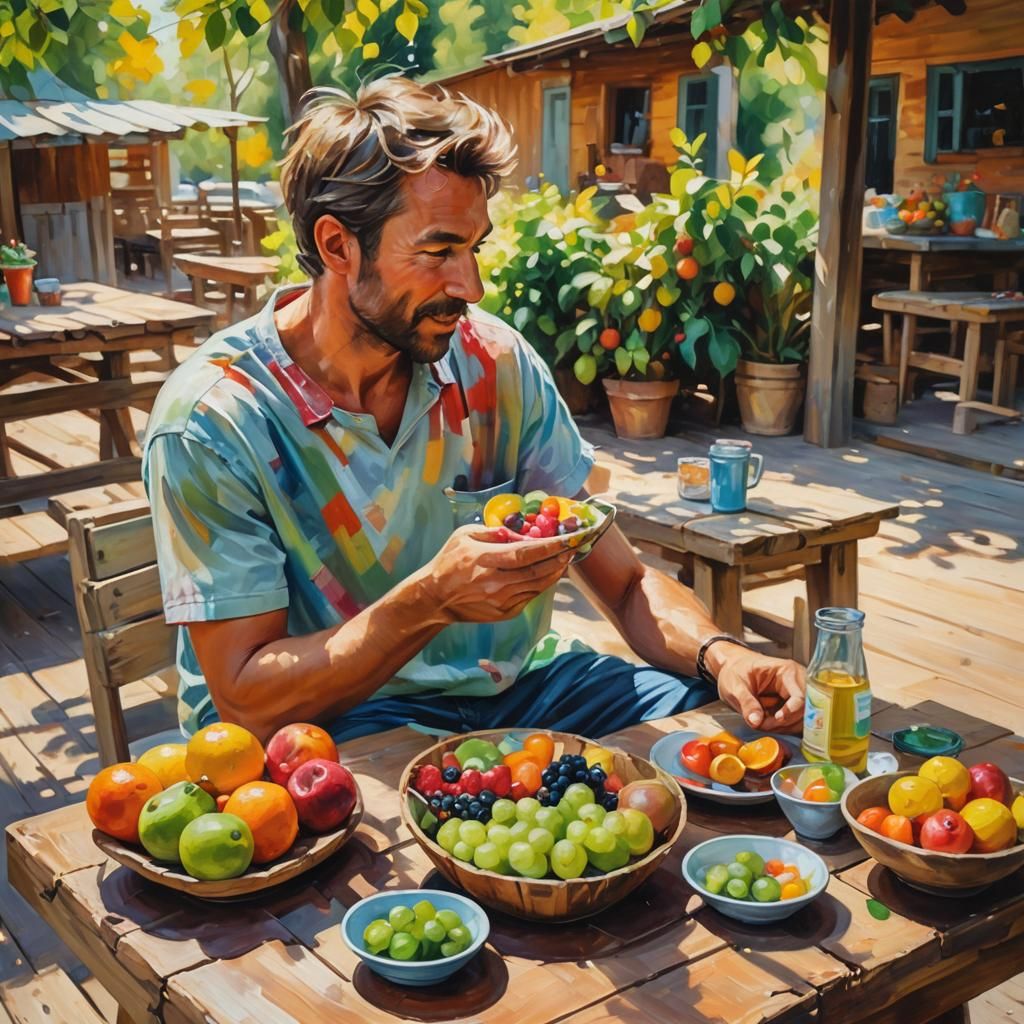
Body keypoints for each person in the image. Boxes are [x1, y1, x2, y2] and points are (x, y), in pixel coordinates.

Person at [143, 75, 805, 746]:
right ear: (338, 246)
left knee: (735, 737)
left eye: (474, 247)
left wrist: (725, 655)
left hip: (521, 690)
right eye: (438, 251)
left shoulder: (494, 362)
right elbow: (247, 699)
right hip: (337, 721)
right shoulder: (215, 419)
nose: (472, 286)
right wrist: (430, 601)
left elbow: (628, 582)